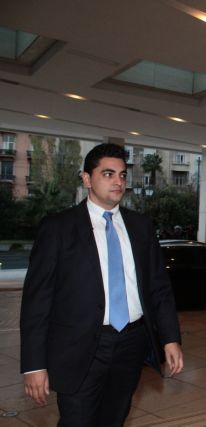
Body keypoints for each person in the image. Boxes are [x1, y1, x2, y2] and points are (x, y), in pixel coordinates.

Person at [20, 143, 184, 426]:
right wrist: (34, 365)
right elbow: (37, 301)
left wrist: (170, 338)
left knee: (114, 419)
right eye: (108, 174)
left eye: (122, 175)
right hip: (79, 349)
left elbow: (159, 288)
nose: (118, 181)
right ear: (87, 178)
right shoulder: (58, 228)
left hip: (131, 344)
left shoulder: (141, 226)